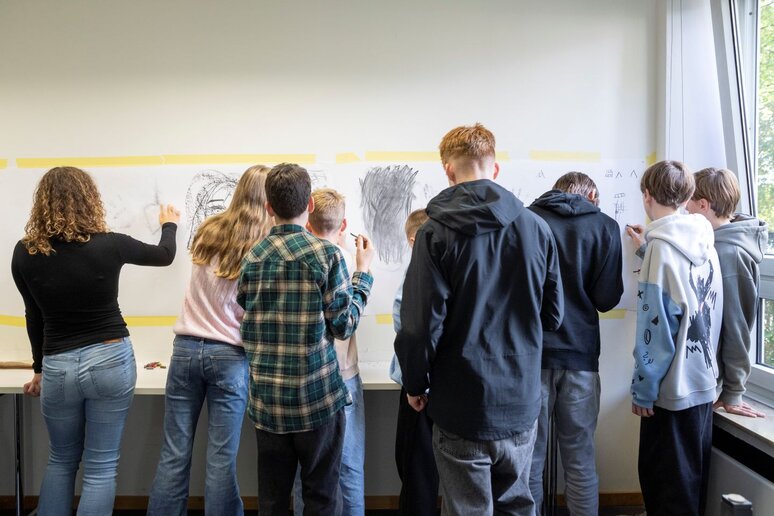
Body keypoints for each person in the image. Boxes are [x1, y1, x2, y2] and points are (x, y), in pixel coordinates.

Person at [394, 124, 564, 515]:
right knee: (517, 505)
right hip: (520, 399)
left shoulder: (434, 234)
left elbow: (419, 327)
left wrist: (415, 383)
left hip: (460, 404)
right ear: (495, 168)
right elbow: (553, 316)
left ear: (448, 170)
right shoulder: (537, 228)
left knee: (468, 508)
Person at [11, 166, 179, 515]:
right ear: (89, 200)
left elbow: (34, 316)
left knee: (60, 460)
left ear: (42, 203)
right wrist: (169, 224)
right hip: (110, 359)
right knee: (101, 467)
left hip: (58, 365)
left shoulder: (25, 252)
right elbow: (165, 255)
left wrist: (40, 370)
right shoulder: (110, 244)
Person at [238, 163, 375, 516]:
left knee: (272, 500)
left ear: (269, 207)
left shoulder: (252, 257)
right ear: (309, 205)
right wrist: (362, 279)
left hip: (268, 403)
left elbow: (244, 310)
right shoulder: (327, 255)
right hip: (317, 400)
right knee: (321, 497)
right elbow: (343, 326)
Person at [147, 164, 273, 516]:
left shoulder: (209, 229)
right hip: (229, 356)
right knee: (221, 459)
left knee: (174, 453)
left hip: (185, 350)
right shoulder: (264, 246)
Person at [626, 160, 723, 516]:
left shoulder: (661, 249)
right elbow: (689, 295)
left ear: (647, 195)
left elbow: (656, 328)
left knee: (663, 491)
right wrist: (645, 249)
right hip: (702, 384)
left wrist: (643, 388)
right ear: (686, 197)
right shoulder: (705, 240)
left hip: (670, 392)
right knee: (689, 490)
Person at [528, 172, 624, 515]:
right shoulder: (605, 226)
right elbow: (606, 299)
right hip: (581, 356)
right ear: (592, 196)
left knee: (529, 460)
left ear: (555, 191)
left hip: (533, 356)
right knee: (580, 458)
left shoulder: (528, 220)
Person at [292, 187, 367, 516]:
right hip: (344, 375)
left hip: (307, 379)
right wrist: (364, 270)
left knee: (306, 472)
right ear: (344, 224)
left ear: (308, 224)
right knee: (349, 467)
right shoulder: (347, 261)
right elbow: (347, 321)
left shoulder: (299, 258)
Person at [686, 167, 767, 419]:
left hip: (709, 382)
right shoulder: (710, 242)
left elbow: (736, 326)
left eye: (688, 203)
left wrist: (733, 392)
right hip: (698, 376)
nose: (684, 209)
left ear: (703, 205)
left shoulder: (729, 254)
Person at [390, 208, 440, 516]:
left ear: (412, 240)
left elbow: (406, 327)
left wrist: (414, 383)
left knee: (416, 469)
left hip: (418, 386)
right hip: (446, 384)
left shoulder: (415, 273)